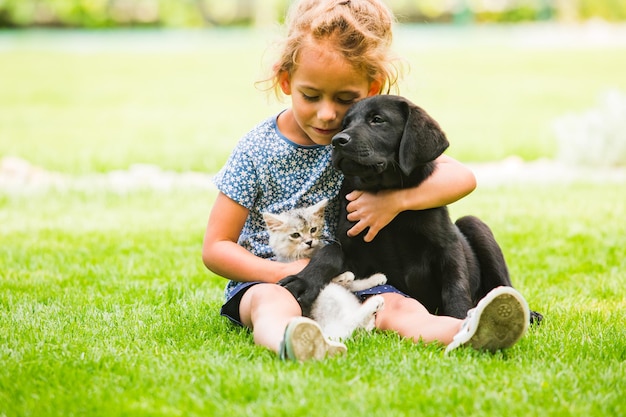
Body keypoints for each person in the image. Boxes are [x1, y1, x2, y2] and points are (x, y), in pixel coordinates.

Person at [202, 0, 530, 361]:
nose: (327, 116)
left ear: (371, 90)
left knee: (397, 306)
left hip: (355, 281)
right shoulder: (256, 149)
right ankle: (291, 341)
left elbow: (461, 177)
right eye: (311, 96)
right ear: (286, 80)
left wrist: (394, 202)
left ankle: (465, 330)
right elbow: (215, 246)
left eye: (344, 99)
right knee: (272, 302)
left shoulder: (363, 145)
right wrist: (280, 272)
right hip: (272, 279)